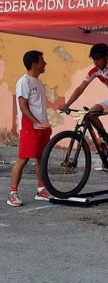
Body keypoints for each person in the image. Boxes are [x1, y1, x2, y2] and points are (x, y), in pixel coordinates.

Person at [60, 43, 108, 184]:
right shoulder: (95, 70)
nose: (96, 62)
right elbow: (80, 88)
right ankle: (105, 138)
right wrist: (67, 105)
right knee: (90, 113)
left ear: (106, 57)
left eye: (98, 58)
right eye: (94, 59)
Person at [7, 51, 52, 206]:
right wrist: (34, 122)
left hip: (42, 125)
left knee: (41, 158)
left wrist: (44, 123)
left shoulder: (38, 82)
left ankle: (41, 190)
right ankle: (12, 193)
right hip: (29, 126)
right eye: (42, 61)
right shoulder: (24, 81)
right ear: (34, 64)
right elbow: (23, 105)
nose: (44, 63)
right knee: (23, 159)